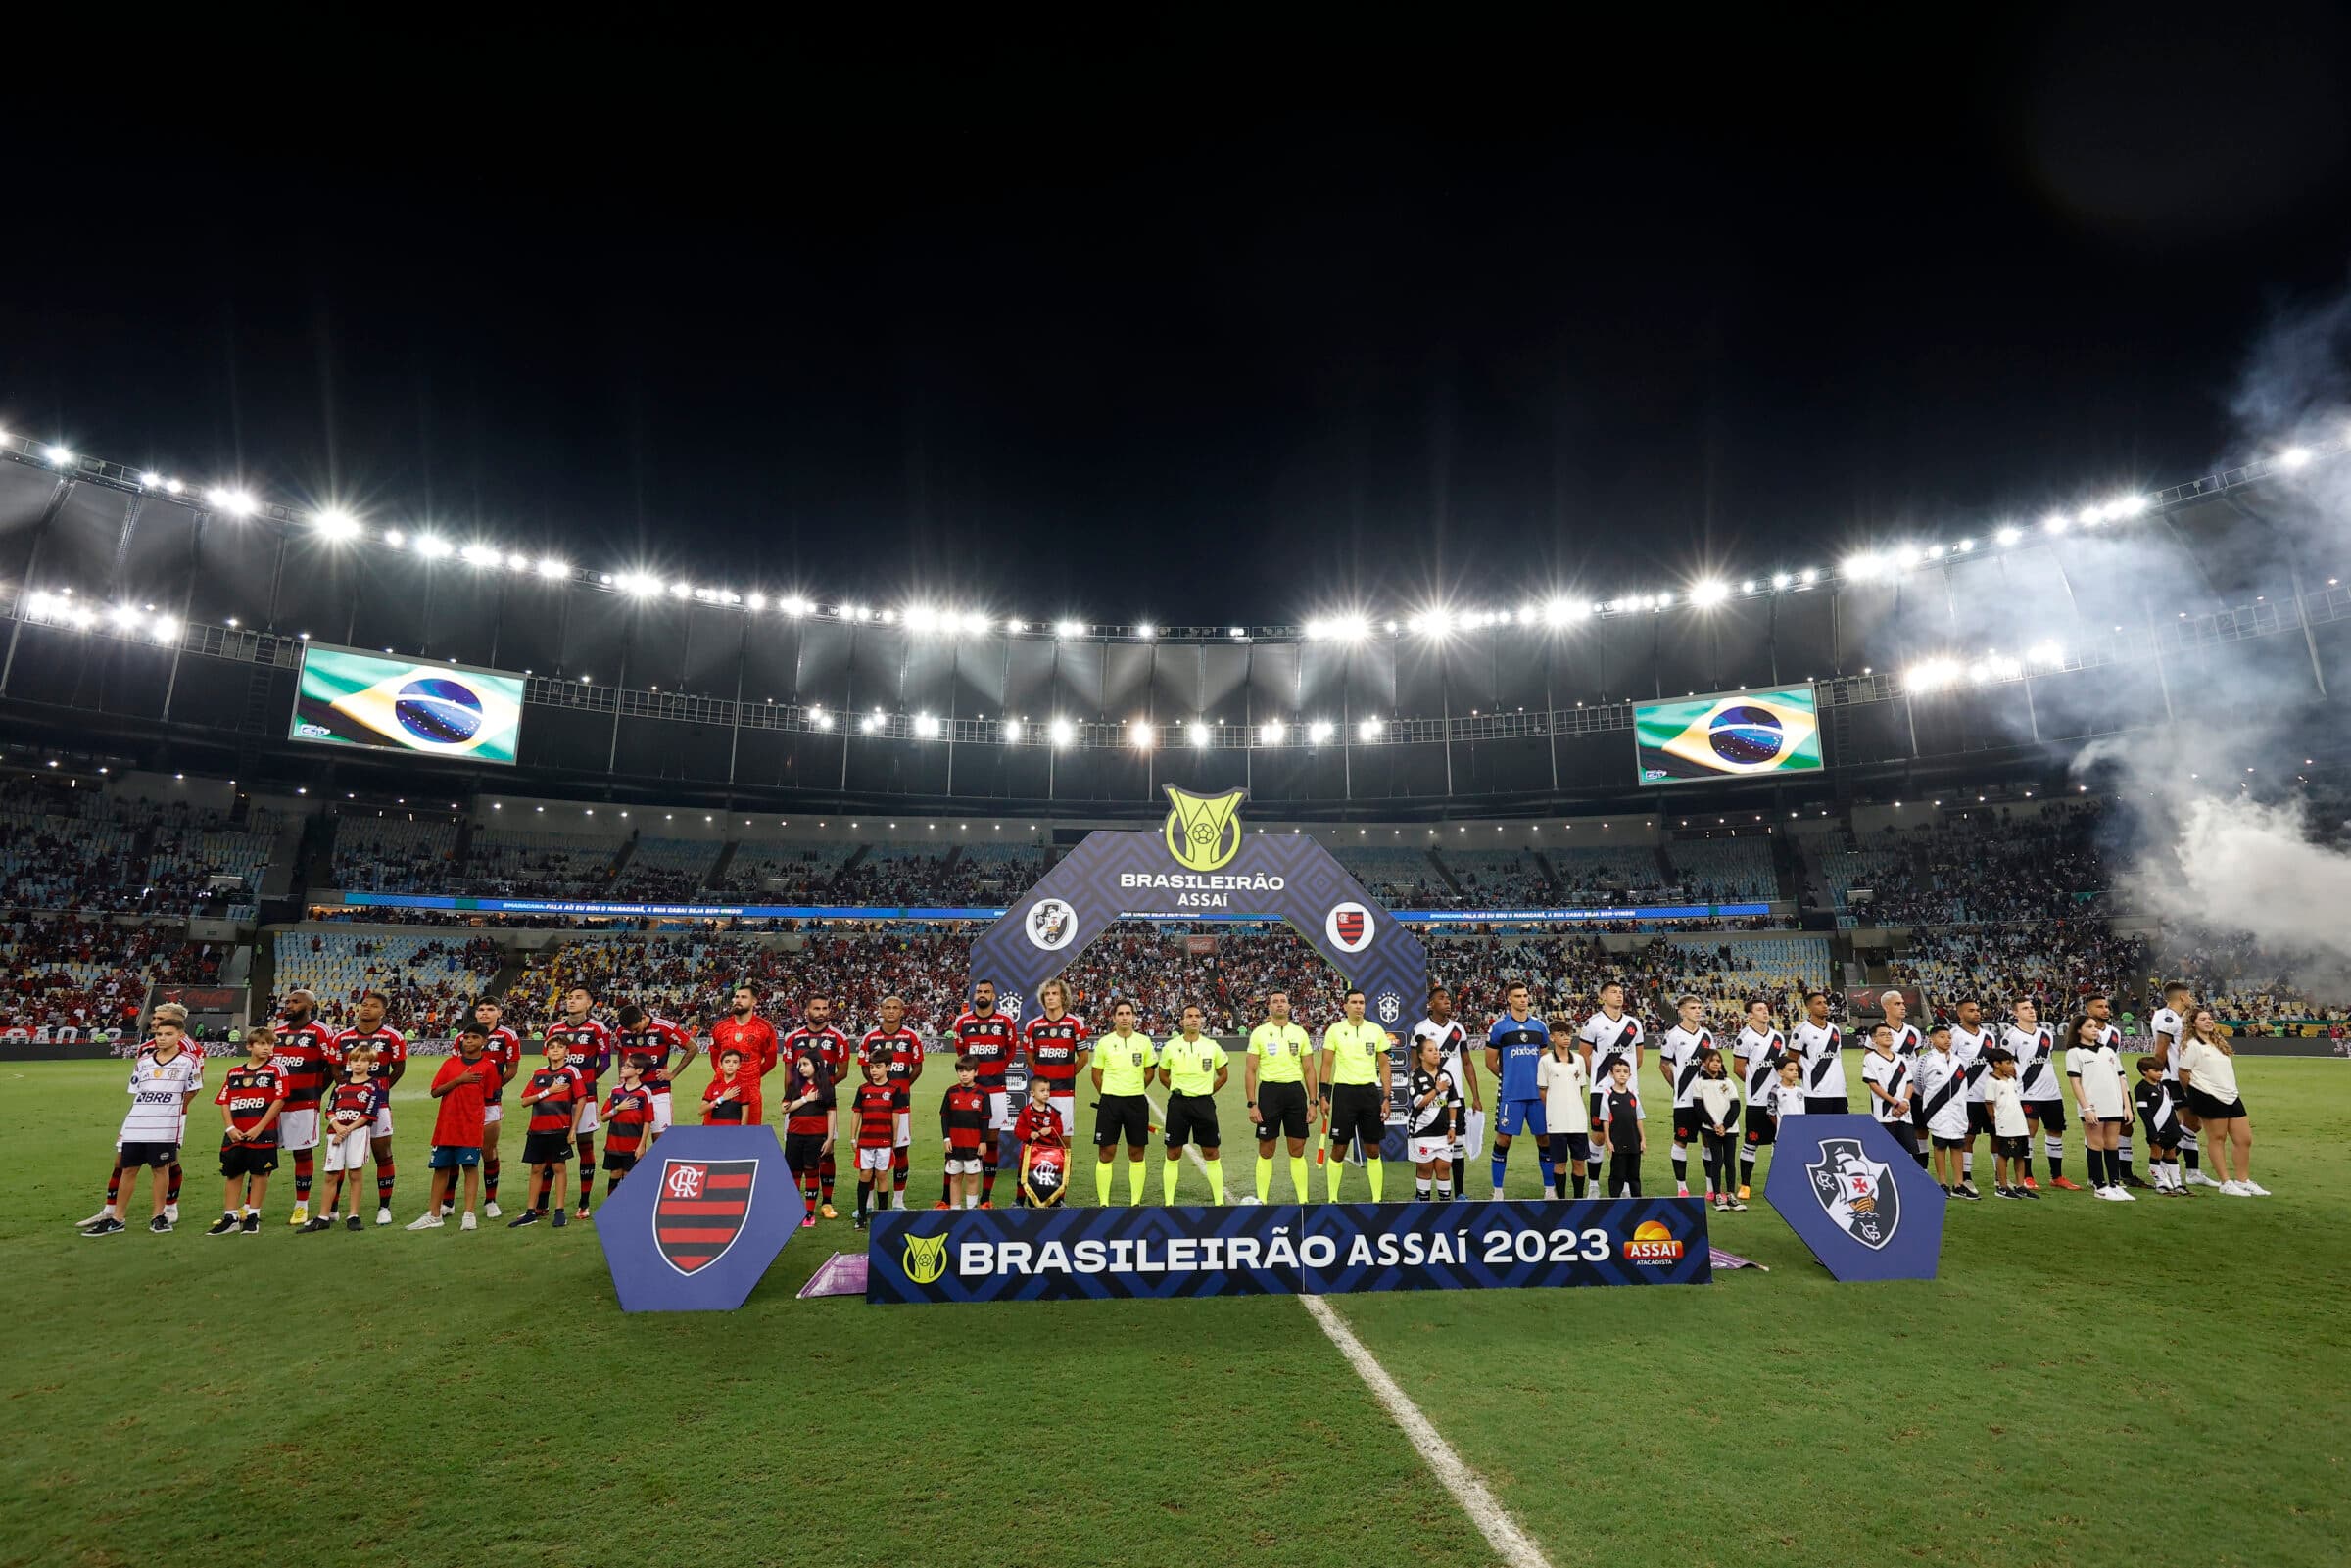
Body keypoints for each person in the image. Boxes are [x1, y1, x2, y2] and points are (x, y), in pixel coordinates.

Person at [79, 1003, 204, 1235]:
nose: (154, 1021)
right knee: (123, 1162)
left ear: (176, 1023)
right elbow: (139, 1088)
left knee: (166, 1164)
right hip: (139, 1115)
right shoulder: (146, 1048)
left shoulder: (190, 1052)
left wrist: (174, 1111)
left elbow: (193, 1087)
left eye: (160, 1018)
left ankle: (168, 1209)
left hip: (169, 1116)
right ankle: (112, 1212)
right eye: (155, 1020)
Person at [333, 989, 408, 1227]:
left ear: (383, 1012)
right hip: (346, 1107)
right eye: (364, 1004)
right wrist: (348, 1090)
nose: (367, 1008)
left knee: (383, 1154)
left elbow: (398, 1068)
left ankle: (384, 1207)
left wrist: (378, 1091)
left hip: (379, 1106)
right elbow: (335, 1068)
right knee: (340, 1155)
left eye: (374, 1005)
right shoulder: (342, 1038)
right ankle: (333, 1207)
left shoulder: (392, 1037)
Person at [408, 1022, 494, 1230]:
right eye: (466, 1037)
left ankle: (469, 1214)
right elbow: (435, 1091)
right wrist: (459, 1080)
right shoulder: (450, 1064)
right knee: (440, 1169)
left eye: (474, 1038)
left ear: (484, 1041)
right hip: (446, 1126)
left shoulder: (488, 1067)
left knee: (470, 1167)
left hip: (470, 1127)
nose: (469, 1041)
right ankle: (434, 1214)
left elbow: (490, 1096)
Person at [207, 1026, 286, 1236]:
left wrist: (259, 1128)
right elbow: (225, 1101)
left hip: (263, 1132)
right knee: (233, 1173)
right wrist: (230, 1127)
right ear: (249, 1046)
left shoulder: (276, 1070)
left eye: (270, 1044)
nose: (266, 1048)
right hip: (235, 1133)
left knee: (260, 1173)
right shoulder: (234, 1072)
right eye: (261, 1043)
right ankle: (230, 1217)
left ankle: (253, 1216)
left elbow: (279, 1100)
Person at [544, 985, 615, 1216]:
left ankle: (584, 1203)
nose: (572, 1001)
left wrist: (585, 1082)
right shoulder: (554, 1028)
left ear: (589, 1003)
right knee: (551, 1148)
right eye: (569, 997)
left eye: (578, 998)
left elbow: (605, 1063)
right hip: (556, 1096)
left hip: (585, 1097)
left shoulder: (597, 1028)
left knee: (585, 1145)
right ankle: (542, 1203)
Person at [949, 981, 1022, 1208]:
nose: (982, 995)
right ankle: (958, 1197)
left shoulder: (1005, 1021)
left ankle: (986, 1198)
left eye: (986, 992)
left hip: (996, 1089)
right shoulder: (963, 1022)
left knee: (991, 1142)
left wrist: (998, 1068)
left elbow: (1010, 1050)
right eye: (979, 992)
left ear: (994, 995)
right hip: (970, 1091)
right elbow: (962, 1054)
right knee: (966, 1140)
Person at [1319, 988, 1395, 1203]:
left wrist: (1387, 1098)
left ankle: (1377, 1199)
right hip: (1344, 1093)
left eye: (1361, 1002)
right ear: (1345, 1006)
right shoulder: (1335, 1030)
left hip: (1369, 1093)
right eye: (1354, 1002)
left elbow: (1385, 1065)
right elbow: (1326, 1065)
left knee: (1373, 1148)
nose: (1358, 1006)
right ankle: (1333, 1198)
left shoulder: (1376, 1030)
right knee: (1339, 1148)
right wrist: (1324, 1095)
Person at [271, 989, 339, 1227]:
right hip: (272, 1105)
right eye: (287, 1001)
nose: (289, 1005)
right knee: (261, 1152)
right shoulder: (276, 1033)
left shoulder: (321, 1032)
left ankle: (301, 1206)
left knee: (302, 1153)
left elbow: (333, 1067)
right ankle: (250, 1206)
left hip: (303, 1104)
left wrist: (316, 1091)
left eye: (295, 1002)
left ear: (310, 1005)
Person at [782, 995, 853, 1216]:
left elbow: (843, 1070)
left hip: (823, 1105)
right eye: (816, 1008)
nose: (821, 1012)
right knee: (795, 1156)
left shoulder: (838, 1038)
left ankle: (827, 1201)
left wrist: (824, 1089)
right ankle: (794, 1204)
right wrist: (795, 1093)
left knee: (826, 1152)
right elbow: (787, 1072)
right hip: (797, 1103)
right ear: (807, 1011)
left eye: (824, 1008)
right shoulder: (793, 1038)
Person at [1411, 985, 1483, 1203]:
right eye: (1441, 998)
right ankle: (1421, 1193)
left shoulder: (1457, 1029)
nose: (1447, 1001)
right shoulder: (1421, 1029)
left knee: (1456, 1144)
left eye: (1448, 998)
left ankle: (1459, 1192)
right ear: (1431, 1004)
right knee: (1425, 1144)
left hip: (1455, 1096)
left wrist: (1476, 1096)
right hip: (1431, 1098)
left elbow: (1468, 1063)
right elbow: (1415, 1064)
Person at [2178, 1010, 2263, 1196]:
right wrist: (2195, 1093)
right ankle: (2225, 1182)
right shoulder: (2192, 1045)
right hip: (2208, 1095)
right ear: (2193, 1024)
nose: (2208, 1021)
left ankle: (2243, 1180)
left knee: (2244, 1138)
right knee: (2217, 1138)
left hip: (2231, 1094)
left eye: (2209, 1018)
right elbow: (2183, 1073)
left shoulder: (2218, 1042)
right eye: (2203, 1019)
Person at [1244, 989, 1318, 1204]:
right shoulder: (1259, 1033)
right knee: (1266, 1148)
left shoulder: (1300, 1033)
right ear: (1269, 1007)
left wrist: (1312, 1103)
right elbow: (1250, 1070)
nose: (1279, 1004)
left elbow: (1309, 1070)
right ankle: (1263, 1201)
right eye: (1275, 1001)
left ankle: (1303, 1201)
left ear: (1289, 1007)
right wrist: (1252, 1104)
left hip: (1295, 1093)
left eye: (1283, 1001)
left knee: (1297, 1148)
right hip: (1269, 1093)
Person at [1485, 981, 1557, 1198]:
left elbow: (1545, 1060)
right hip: (1511, 1095)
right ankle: (1497, 1190)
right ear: (1509, 999)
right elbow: (1490, 1062)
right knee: (1503, 1139)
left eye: (1525, 996)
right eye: (1518, 996)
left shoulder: (1539, 1027)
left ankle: (1550, 1188)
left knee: (1544, 1138)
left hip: (1537, 1096)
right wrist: (1509, 1079)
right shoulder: (1499, 1028)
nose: (1523, 1000)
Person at [1576, 980, 1645, 1192]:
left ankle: (1624, 1183)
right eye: (1614, 992)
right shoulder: (1593, 1023)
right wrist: (1599, 1079)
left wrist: (1624, 1080)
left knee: (1626, 1135)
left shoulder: (1634, 1024)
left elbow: (1638, 1058)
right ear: (1603, 996)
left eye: (1621, 991)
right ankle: (1594, 1185)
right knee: (1597, 1135)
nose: (1619, 995)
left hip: (1628, 1090)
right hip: (1601, 1090)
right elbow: (1584, 1056)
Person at [1158, 1004, 1229, 1204]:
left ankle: (1219, 1201)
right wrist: (1177, 1090)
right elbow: (1162, 1075)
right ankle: (1169, 1202)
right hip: (1178, 1104)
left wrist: (1206, 1092)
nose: (1194, 1019)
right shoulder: (1171, 1046)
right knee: (1173, 1151)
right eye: (1189, 1016)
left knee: (1211, 1151)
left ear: (1202, 1020)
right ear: (1182, 1021)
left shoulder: (1211, 1046)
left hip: (1204, 1104)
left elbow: (1224, 1075)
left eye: (1197, 1016)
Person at [2004, 999, 2079, 1192]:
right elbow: (2005, 1065)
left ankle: (2057, 1176)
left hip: (2052, 1093)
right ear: (2015, 1013)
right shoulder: (2011, 1036)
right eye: (2025, 1008)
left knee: (2055, 1132)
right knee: (2029, 1133)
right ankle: (2027, 1176)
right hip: (2027, 1093)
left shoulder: (2046, 1035)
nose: (2031, 1011)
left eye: (2031, 1007)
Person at [860, 995, 925, 1210]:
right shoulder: (869, 1038)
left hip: (900, 1104)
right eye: (887, 1007)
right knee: (870, 1152)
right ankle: (868, 1202)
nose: (891, 1011)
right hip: (874, 1105)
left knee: (901, 1150)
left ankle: (898, 1201)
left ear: (902, 1011)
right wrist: (877, 1087)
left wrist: (901, 1087)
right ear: (880, 1009)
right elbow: (864, 1066)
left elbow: (917, 1067)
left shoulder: (910, 1037)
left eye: (895, 1008)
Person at [1091, 1000, 1157, 1207]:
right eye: (1120, 1013)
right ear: (1113, 1018)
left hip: (1136, 1101)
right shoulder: (1104, 1043)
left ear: (1134, 1017)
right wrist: (1109, 1093)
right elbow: (1096, 1074)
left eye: (1128, 1013)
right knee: (1106, 1151)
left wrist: (1134, 1088)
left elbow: (1149, 1072)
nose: (1124, 1017)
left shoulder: (1144, 1042)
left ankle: (1135, 1202)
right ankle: (1104, 1202)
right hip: (1110, 1102)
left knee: (1136, 1151)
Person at [2148, 981, 2214, 1187]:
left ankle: (2192, 1171)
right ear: (2183, 997)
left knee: (2189, 1125)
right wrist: (2158, 1078)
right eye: (2190, 995)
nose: (2192, 999)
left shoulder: (2172, 1017)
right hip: (2173, 1079)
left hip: (2179, 1078)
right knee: (2191, 1124)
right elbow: (2160, 1051)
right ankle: (2160, 1165)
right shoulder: (2168, 1017)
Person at [509, 1039, 580, 1228]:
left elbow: (580, 1100)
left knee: (559, 1168)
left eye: (560, 1047)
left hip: (559, 1129)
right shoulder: (538, 1073)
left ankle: (560, 1211)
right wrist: (549, 1091)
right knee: (536, 1169)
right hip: (537, 1130)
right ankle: (531, 1212)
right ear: (546, 1052)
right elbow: (525, 1101)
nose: (555, 1050)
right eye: (552, 1047)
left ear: (567, 1051)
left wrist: (573, 1129)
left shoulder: (572, 1072)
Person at [312, 1043, 383, 1231]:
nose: (358, 1064)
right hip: (336, 1132)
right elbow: (330, 1110)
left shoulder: (373, 1086)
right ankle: (323, 1216)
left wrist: (345, 1130)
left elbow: (369, 1114)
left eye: (363, 1060)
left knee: (355, 1173)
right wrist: (337, 1127)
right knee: (331, 1174)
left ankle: (353, 1215)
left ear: (371, 1064)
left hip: (357, 1133)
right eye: (354, 1060)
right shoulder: (340, 1085)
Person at [2064, 1014, 2133, 1203]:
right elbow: (2075, 1083)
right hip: (2093, 1106)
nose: (2095, 1029)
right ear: (2079, 1030)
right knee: (2096, 1144)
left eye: (2096, 1026)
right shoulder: (2074, 1053)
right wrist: (2086, 1108)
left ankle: (2114, 1183)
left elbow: (2121, 1079)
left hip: (2114, 1105)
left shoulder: (2108, 1052)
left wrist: (2126, 1106)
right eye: (2090, 1026)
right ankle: (2099, 1185)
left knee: (2113, 1144)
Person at [612, 1002, 696, 1154]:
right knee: (632, 1143)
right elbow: (621, 1051)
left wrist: (673, 1074)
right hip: (633, 1093)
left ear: (643, 1018)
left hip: (658, 1090)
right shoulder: (621, 1031)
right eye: (631, 1031)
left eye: (636, 1029)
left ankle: (660, 1175)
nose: (635, 1034)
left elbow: (692, 1048)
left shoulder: (665, 1027)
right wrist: (621, 1074)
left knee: (661, 1141)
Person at [1656, 994, 1716, 1199]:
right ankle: (1681, 1186)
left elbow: (1714, 1065)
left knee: (1708, 1139)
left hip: (1707, 1100)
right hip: (1684, 1101)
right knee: (1681, 1140)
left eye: (1699, 1007)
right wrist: (1678, 1087)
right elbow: (1664, 1065)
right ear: (1681, 1011)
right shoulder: (1673, 1035)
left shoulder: (1707, 1035)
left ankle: (1711, 1187)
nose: (1698, 1010)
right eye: (1693, 1007)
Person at [2085, 992, 2144, 1187]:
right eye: (2100, 1006)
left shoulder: (2114, 1033)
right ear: (2088, 1010)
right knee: (2096, 1131)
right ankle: (2095, 1176)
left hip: (2117, 1086)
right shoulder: (2083, 1032)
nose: (2105, 1010)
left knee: (2126, 1127)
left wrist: (2123, 1086)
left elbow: (2115, 1061)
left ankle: (2124, 1173)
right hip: (2095, 1088)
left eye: (2107, 1007)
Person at [472, 997, 524, 1218]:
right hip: (466, 1101)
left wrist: (493, 1086)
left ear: (499, 1013)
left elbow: (512, 1070)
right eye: (481, 1009)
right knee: (460, 1148)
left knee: (488, 1149)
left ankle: (490, 1200)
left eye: (490, 1009)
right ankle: (447, 1202)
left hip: (491, 1101)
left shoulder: (507, 1036)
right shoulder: (465, 1035)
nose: (484, 1013)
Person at [1022, 978, 1090, 1142]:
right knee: (1037, 1138)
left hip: (1064, 1092)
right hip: (1040, 1092)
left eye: (1055, 994)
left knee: (1063, 1140)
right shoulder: (1033, 1026)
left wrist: (1067, 1074)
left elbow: (1084, 1057)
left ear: (1063, 998)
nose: (1050, 997)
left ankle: (1064, 1169)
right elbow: (1029, 1059)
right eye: (1047, 994)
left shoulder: (1075, 1023)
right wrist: (1041, 1078)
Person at [1732, 999, 1783, 1201]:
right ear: (1750, 1015)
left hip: (1778, 1100)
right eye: (1760, 1009)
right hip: (1756, 1102)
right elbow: (1738, 1068)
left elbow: (1782, 1064)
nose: (1765, 1012)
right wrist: (1754, 1084)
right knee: (1750, 1143)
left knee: (1779, 1143)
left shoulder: (1778, 1037)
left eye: (1766, 1008)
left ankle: (1777, 1183)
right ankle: (1745, 1184)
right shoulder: (1744, 1038)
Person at [781, 1047, 837, 1226]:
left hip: (815, 1137)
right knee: (794, 1172)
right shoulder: (795, 1086)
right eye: (800, 1065)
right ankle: (794, 1210)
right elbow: (784, 1108)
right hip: (795, 1135)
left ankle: (809, 1213)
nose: (802, 1068)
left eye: (805, 1064)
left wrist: (829, 1138)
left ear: (817, 1065)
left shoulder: (826, 1087)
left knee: (811, 1171)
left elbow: (831, 1113)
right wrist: (806, 1099)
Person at [1946, 997, 1994, 1200]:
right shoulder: (1954, 1036)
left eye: (1977, 1009)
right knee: (1968, 1137)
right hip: (1967, 1097)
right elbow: (1947, 1063)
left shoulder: (1989, 1037)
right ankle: (1966, 1177)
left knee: (1998, 1136)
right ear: (1960, 1014)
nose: (1976, 1013)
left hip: (1990, 1096)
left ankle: (2000, 1178)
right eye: (1971, 1010)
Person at [1405, 1032, 1462, 1203]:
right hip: (1422, 1131)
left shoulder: (1446, 1076)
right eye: (1431, 1050)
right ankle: (1424, 1206)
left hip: (1444, 1133)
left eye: (1437, 1049)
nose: (1436, 1053)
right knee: (1424, 1170)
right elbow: (1418, 1103)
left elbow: (1452, 1103)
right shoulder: (1415, 1076)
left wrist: (1452, 1126)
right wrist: (1437, 1090)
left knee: (1444, 1169)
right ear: (1422, 1055)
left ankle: (1445, 1208)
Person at [1536, 1027, 1592, 1198]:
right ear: (1552, 1038)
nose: (1567, 1038)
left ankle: (1578, 1200)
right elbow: (1543, 1091)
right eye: (1562, 1035)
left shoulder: (1579, 1060)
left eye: (1568, 1034)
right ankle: (1561, 1201)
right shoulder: (1545, 1061)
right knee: (1560, 1163)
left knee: (1579, 1163)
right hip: (1557, 1121)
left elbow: (1579, 1088)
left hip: (1578, 1121)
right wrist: (1554, 1108)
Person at [1918, 1024, 1972, 1196]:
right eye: (1942, 1037)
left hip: (1957, 1110)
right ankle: (1942, 1182)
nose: (1947, 1040)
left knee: (1958, 1145)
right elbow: (1918, 1085)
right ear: (1932, 1039)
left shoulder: (1959, 1061)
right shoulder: (1925, 1060)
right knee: (1940, 1145)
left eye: (1949, 1037)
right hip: (1936, 1110)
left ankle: (1959, 1184)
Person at [1860, 1022, 1922, 1165]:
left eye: (1889, 1034)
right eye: (1882, 1034)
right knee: (1885, 1153)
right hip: (1883, 1115)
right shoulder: (1870, 1059)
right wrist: (1896, 1103)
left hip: (1904, 1114)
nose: (1887, 1036)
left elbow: (1909, 1083)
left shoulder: (1901, 1058)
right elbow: (1873, 1085)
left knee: (1908, 1153)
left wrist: (1905, 1102)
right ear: (1874, 1040)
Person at [599, 1055, 657, 1196]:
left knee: (629, 1175)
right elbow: (603, 1117)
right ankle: (611, 1206)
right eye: (623, 1065)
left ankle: (627, 1207)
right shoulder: (615, 1091)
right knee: (614, 1173)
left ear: (639, 1071)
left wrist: (642, 1145)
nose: (623, 1068)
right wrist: (618, 1108)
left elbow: (647, 1120)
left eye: (627, 1066)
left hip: (632, 1144)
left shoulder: (644, 1092)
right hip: (614, 1144)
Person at [852, 1059, 900, 1226]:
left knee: (881, 1175)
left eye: (878, 1067)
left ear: (888, 1067)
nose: (873, 1070)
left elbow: (896, 1115)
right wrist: (853, 1137)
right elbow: (857, 1113)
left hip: (885, 1140)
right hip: (866, 1139)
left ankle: (882, 1215)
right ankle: (862, 1215)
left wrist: (894, 1139)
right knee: (865, 1174)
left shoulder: (894, 1090)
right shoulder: (863, 1089)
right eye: (871, 1067)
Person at [1694, 1047, 1743, 1212]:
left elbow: (1735, 1107)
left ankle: (1730, 1193)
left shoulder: (1728, 1082)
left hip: (1730, 1129)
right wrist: (1715, 1125)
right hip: (1711, 1129)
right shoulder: (1699, 1083)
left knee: (1730, 1161)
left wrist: (1725, 1126)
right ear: (1704, 1063)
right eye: (1712, 1060)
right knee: (1717, 1161)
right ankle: (1717, 1194)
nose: (1716, 1063)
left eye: (1718, 1061)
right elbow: (1699, 1109)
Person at [939, 1057, 989, 1211]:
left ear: (975, 1072)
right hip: (955, 1144)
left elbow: (985, 1120)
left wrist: (983, 1141)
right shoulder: (951, 1092)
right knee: (955, 1177)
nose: (964, 1074)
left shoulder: (982, 1094)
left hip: (973, 1144)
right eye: (961, 1071)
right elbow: (944, 1117)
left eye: (968, 1071)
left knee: (972, 1177)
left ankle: (971, 1210)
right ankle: (955, 1211)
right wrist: (946, 1138)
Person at [2133, 1056, 2186, 1196]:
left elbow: (2170, 1106)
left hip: (2171, 1127)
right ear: (2144, 1071)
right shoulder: (2141, 1088)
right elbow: (2143, 1112)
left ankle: (2178, 1184)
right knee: (2156, 1154)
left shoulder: (2163, 1086)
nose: (2160, 1073)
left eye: (2161, 1070)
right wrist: (2152, 1131)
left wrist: (2176, 1124)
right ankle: (2160, 1183)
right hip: (2156, 1128)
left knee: (2171, 1154)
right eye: (2155, 1070)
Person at [1881, 990, 1927, 1151]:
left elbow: (1915, 1058)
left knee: (1920, 1128)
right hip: (1889, 1090)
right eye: (1897, 1003)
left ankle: (1922, 1169)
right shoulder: (1879, 1031)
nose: (1903, 1006)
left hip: (1913, 1089)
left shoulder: (1913, 1032)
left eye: (1903, 1003)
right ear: (1886, 1007)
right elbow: (1871, 1061)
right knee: (1892, 1127)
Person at [1791, 990, 1847, 1116]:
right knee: (1818, 1132)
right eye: (1819, 1003)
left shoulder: (1834, 1029)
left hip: (1839, 1092)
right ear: (1808, 1007)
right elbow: (1792, 1060)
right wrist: (1807, 1076)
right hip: (1815, 1093)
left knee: (1840, 1132)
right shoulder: (1801, 1030)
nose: (1824, 1006)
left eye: (1825, 1002)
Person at [1986, 1051, 2033, 1199]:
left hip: (2019, 1122)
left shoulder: (2011, 1080)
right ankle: (2002, 1186)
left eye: (2012, 1062)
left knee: (2020, 1155)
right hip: (2004, 1123)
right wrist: (1994, 1119)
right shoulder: (1992, 1082)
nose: (2012, 1066)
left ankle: (2020, 1186)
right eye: (2008, 1063)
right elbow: (1988, 1103)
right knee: (2004, 1154)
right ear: (1997, 1064)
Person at [1015, 1079, 1069, 1208]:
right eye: (1042, 1091)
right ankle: (1019, 1201)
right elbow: (1018, 1131)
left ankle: (1057, 1200)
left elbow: (1060, 1130)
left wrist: (1051, 1130)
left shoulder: (1053, 1112)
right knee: (1023, 1177)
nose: (1046, 1094)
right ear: (1032, 1093)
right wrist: (1029, 1134)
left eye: (1048, 1091)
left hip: (1049, 1154)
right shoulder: (1025, 1112)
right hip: (1030, 1153)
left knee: (1053, 1177)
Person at [1598, 1059, 1646, 1198]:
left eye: (1625, 1072)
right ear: (1612, 1074)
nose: (1622, 1075)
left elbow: (1639, 1118)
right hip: (1617, 1142)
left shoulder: (1633, 1095)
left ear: (1630, 1075)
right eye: (1618, 1071)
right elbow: (1605, 1120)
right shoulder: (1607, 1094)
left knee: (1634, 1175)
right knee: (1617, 1175)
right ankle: (1615, 1202)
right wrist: (1608, 1141)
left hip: (1633, 1142)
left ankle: (1637, 1201)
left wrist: (1642, 1139)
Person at [701, 1047, 762, 1126]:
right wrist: (721, 1099)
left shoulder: (742, 1087)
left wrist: (741, 1133)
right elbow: (702, 1111)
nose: (730, 1064)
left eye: (735, 1062)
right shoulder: (713, 1086)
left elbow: (745, 1116)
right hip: (714, 1131)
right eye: (727, 1061)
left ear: (739, 1065)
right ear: (720, 1065)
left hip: (734, 1133)